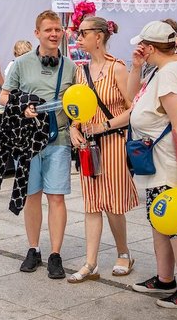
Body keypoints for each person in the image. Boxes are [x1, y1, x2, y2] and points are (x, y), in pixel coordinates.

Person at [127, 21, 177, 309]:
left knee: (175, 224)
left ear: (149, 47)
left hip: (170, 161)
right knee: (160, 218)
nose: (139, 49)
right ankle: (165, 278)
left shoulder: (170, 73)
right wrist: (136, 67)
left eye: (142, 45)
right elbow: (132, 100)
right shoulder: (172, 66)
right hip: (161, 159)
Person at [0, 10, 76, 280]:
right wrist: (22, 106)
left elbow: (77, 103)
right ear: (37, 33)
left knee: (56, 197)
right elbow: (4, 96)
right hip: (27, 141)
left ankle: (55, 254)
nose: (54, 34)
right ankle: (33, 249)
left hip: (59, 139)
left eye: (57, 29)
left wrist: (76, 125)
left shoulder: (70, 67)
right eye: (48, 30)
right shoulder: (21, 64)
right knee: (32, 195)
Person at [66, 17, 138, 283]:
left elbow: (133, 108)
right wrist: (74, 128)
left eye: (82, 33)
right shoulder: (80, 71)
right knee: (92, 202)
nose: (78, 37)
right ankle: (90, 262)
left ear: (98, 36)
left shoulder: (117, 68)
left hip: (113, 141)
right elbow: (77, 106)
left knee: (114, 203)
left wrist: (104, 125)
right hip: (89, 146)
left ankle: (123, 253)